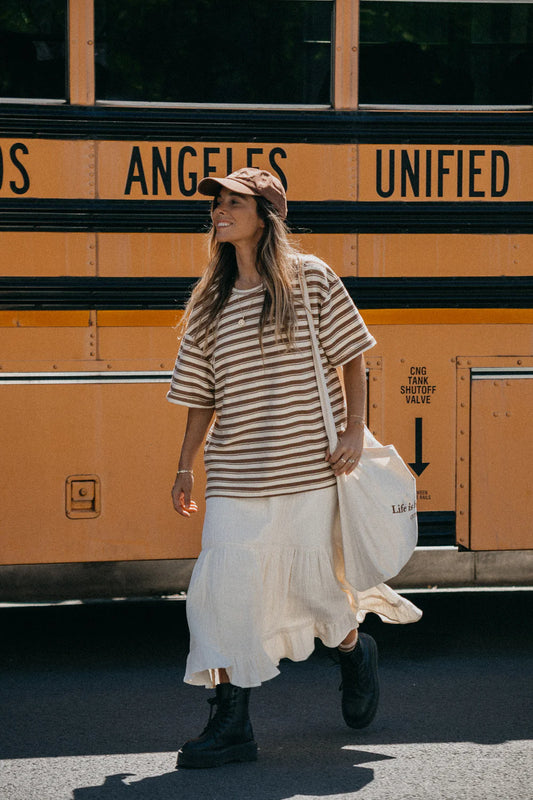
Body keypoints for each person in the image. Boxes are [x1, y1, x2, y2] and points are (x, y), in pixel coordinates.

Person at [167, 167, 421, 769]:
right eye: (219, 202)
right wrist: (184, 465)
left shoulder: (310, 279)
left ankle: (356, 651)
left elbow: (353, 354)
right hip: (236, 476)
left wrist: (355, 428)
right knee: (219, 595)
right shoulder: (210, 298)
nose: (220, 211)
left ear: (266, 216)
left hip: (308, 468)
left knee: (321, 594)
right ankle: (231, 725)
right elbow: (202, 392)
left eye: (235, 202)